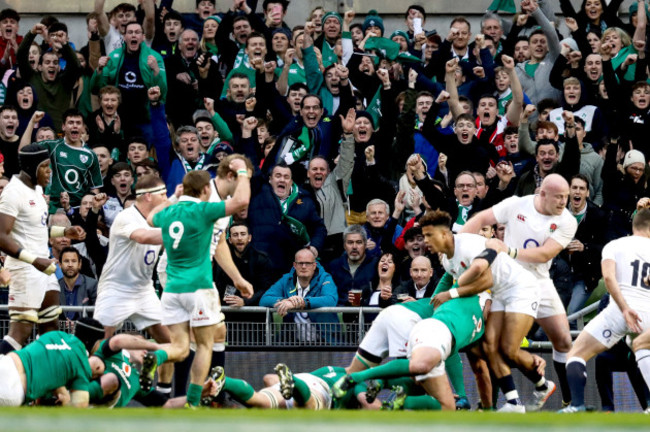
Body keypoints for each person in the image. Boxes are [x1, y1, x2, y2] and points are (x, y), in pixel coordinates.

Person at [462, 173, 578, 407]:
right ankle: (502, 404)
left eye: (566, 197)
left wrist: (509, 251)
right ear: (542, 194)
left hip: (539, 280)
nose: (564, 202)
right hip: (507, 281)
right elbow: (481, 217)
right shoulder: (516, 204)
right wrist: (459, 242)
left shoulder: (568, 221)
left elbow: (545, 254)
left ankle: (570, 401)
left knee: (564, 341)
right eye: (559, 197)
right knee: (495, 345)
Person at [148, 164, 250, 408]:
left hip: (173, 288)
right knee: (203, 344)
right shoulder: (206, 209)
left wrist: (173, 197)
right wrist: (244, 171)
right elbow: (242, 201)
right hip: (198, 286)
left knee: (181, 346)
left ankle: (157, 358)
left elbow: (151, 218)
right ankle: (191, 401)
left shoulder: (171, 212)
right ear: (205, 189)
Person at [561, 208, 650, 413]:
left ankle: (576, 406)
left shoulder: (615, 245)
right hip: (648, 313)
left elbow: (608, 278)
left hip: (620, 311)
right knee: (642, 349)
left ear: (633, 225)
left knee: (576, 353)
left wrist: (625, 308)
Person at [0, 144, 85, 355]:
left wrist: (65, 232)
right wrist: (34, 260)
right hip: (25, 269)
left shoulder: (38, 190)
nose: (50, 171)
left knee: (50, 329)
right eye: (45, 166)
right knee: (20, 333)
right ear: (32, 167)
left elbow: (37, 227)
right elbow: (1, 235)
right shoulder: (12, 192)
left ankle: (49, 386)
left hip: (44, 267)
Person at [93, 175, 173, 393]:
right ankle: (89, 390)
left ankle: (163, 393)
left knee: (170, 343)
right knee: (100, 344)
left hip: (144, 289)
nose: (166, 198)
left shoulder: (161, 218)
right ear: (147, 196)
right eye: (162, 194)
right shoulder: (126, 217)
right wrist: (179, 232)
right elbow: (144, 237)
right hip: (115, 289)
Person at [0, 318, 106, 407]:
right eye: (99, 343)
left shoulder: (56, 335)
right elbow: (79, 407)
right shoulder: (82, 364)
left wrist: (62, 392)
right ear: (93, 342)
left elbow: (49, 365)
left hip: (6, 362)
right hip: (14, 389)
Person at [20, 109, 103, 213]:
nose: (75, 126)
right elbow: (23, 151)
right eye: (71, 122)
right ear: (63, 126)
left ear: (82, 127)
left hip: (79, 210)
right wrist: (32, 122)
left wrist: (90, 211)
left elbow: (94, 188)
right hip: (55, 209)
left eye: (78, 123)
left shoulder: (91, 155)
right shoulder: (53, 146)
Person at [260, 248, 338, 343]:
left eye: (308, 263)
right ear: (295, 265)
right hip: (293, 343)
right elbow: (264, 299)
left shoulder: (325, 278)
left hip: (325, 342)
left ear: (314, 265)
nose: (304, 267)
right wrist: (285, 301)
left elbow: (331, 300)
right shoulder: (286, 280)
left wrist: (302, 302)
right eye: (300, 263)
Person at [58, 246, 97, 322]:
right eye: (66, 261)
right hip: (62, 331)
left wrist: (78, 324)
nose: (70, 265)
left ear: (79, 264)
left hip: (84, 331)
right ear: (60, 264)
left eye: (74, 261)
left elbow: (98, 314)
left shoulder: (92, 285)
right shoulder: (55, 287)